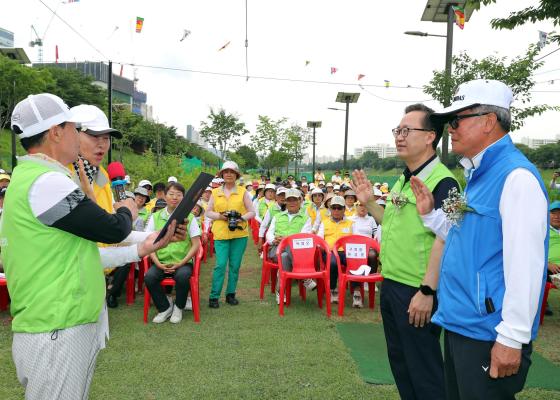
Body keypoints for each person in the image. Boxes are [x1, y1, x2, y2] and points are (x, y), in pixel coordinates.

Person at [0, 93, 178, 400]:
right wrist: (128, 209)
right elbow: (112, 228)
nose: (81, 137)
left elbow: (80, 252)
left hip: (62, 322)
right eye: (74, 128)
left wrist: (143, 247)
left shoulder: (41, 178)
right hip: (56, 326)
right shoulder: (46, 183)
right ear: (56, 132)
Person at [410, 79, 548, 399]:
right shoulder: (476, 174)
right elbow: (463, 237)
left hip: (488, 334)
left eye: (457, 120)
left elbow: (526, 265)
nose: (451, 129)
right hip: (462, 324)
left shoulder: (517, 178)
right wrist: (431, 215)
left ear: (488, 122)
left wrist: (512, 338)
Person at [351, 102, 459, 400]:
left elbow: (448, 237)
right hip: (393, 284)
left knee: (424, 372)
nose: (399, 136)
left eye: (407, 130)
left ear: (429, 137)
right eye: (397, 130)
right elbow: (392, 222)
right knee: (402, 366)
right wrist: (370, 201)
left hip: (417, 290)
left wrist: (427, 290)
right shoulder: (404, 177)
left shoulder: (443, 181)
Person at [144, 182, 201, 323]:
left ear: (183, 197)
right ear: (165, 195)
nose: (174, 197)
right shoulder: (155, 217)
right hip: (161, 261)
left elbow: (196, 244)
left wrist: (182, 262)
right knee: (149, 277)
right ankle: (164, 308)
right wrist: (157, 262)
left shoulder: (190, 218)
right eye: (171, 194)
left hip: (183, 261)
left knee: (182, 277)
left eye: (179, 194)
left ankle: (178, 308)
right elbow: (148, 244)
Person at [205, 161, 255, 308]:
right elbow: (208, 212)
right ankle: (214, 296)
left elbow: (252, 212)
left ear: (236, 175)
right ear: (222, 174)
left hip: (239, 234)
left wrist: (240, 218)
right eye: (226, 172)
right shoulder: (215, 192)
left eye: (231, 172)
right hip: (221, 233)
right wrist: (221, 216)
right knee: (220, 265)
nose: (228, 174)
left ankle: (230, 294)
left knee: (234, 266)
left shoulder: (242, 191)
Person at [265, 189, 315, 303]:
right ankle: (305, 277)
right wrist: (273, 240)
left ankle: (280, 291)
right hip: (276, 248)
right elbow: (269, 233)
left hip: (296, 251)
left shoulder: (306, 218)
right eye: (289, 200)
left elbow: (304, 237)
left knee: (285, 256)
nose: (292, 203)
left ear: (300, 201)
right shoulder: (277, 216)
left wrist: (286, 240)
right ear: (285, 202)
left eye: (295, 200)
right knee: (286, 250)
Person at [314, 196, 362, 306]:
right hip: (330, 252)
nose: (336, 210)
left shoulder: (351, 223)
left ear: (344, 209)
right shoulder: (324, 222)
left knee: (356, 261)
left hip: (347, 252)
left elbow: (356, 239)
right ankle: (333, 289)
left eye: (339, 208)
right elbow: (320, 239)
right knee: (333, 263)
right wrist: (321, 247)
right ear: (330, 209)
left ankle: (356, 291)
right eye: (333, 208)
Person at [257, 187, 287, 253]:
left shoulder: (292, 208)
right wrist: (260, 240)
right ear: (276, 197)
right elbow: (264, 225)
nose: (283, 197)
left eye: (285, 195)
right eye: (280, 195)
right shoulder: (271, 209)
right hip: (275, 236)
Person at [545, 201, 560, 316]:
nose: (557, 216)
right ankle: (542, 302)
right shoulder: (542, 230)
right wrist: (547, 264)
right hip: (549, 268)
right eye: (554, 213)